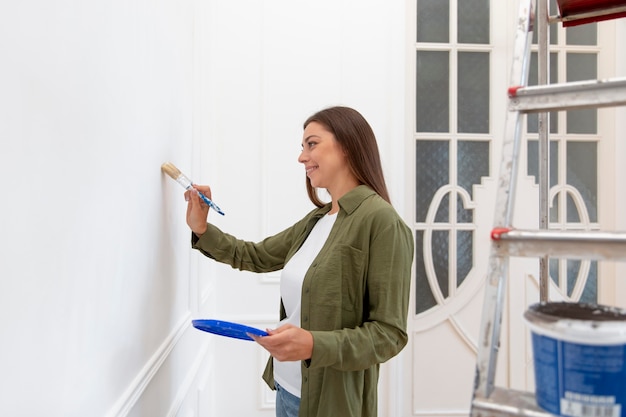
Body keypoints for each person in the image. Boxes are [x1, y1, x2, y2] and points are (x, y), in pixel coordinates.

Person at [185, 106, 414, 417]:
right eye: (302, 147)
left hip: (331, 405)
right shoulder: (318, 219)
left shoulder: (382, 223)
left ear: (347, 145)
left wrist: (313, 345)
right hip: (287, 388)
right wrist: (201, 228)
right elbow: (255, 255)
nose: (302, 157)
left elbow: (389, 335)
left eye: (312, 144)